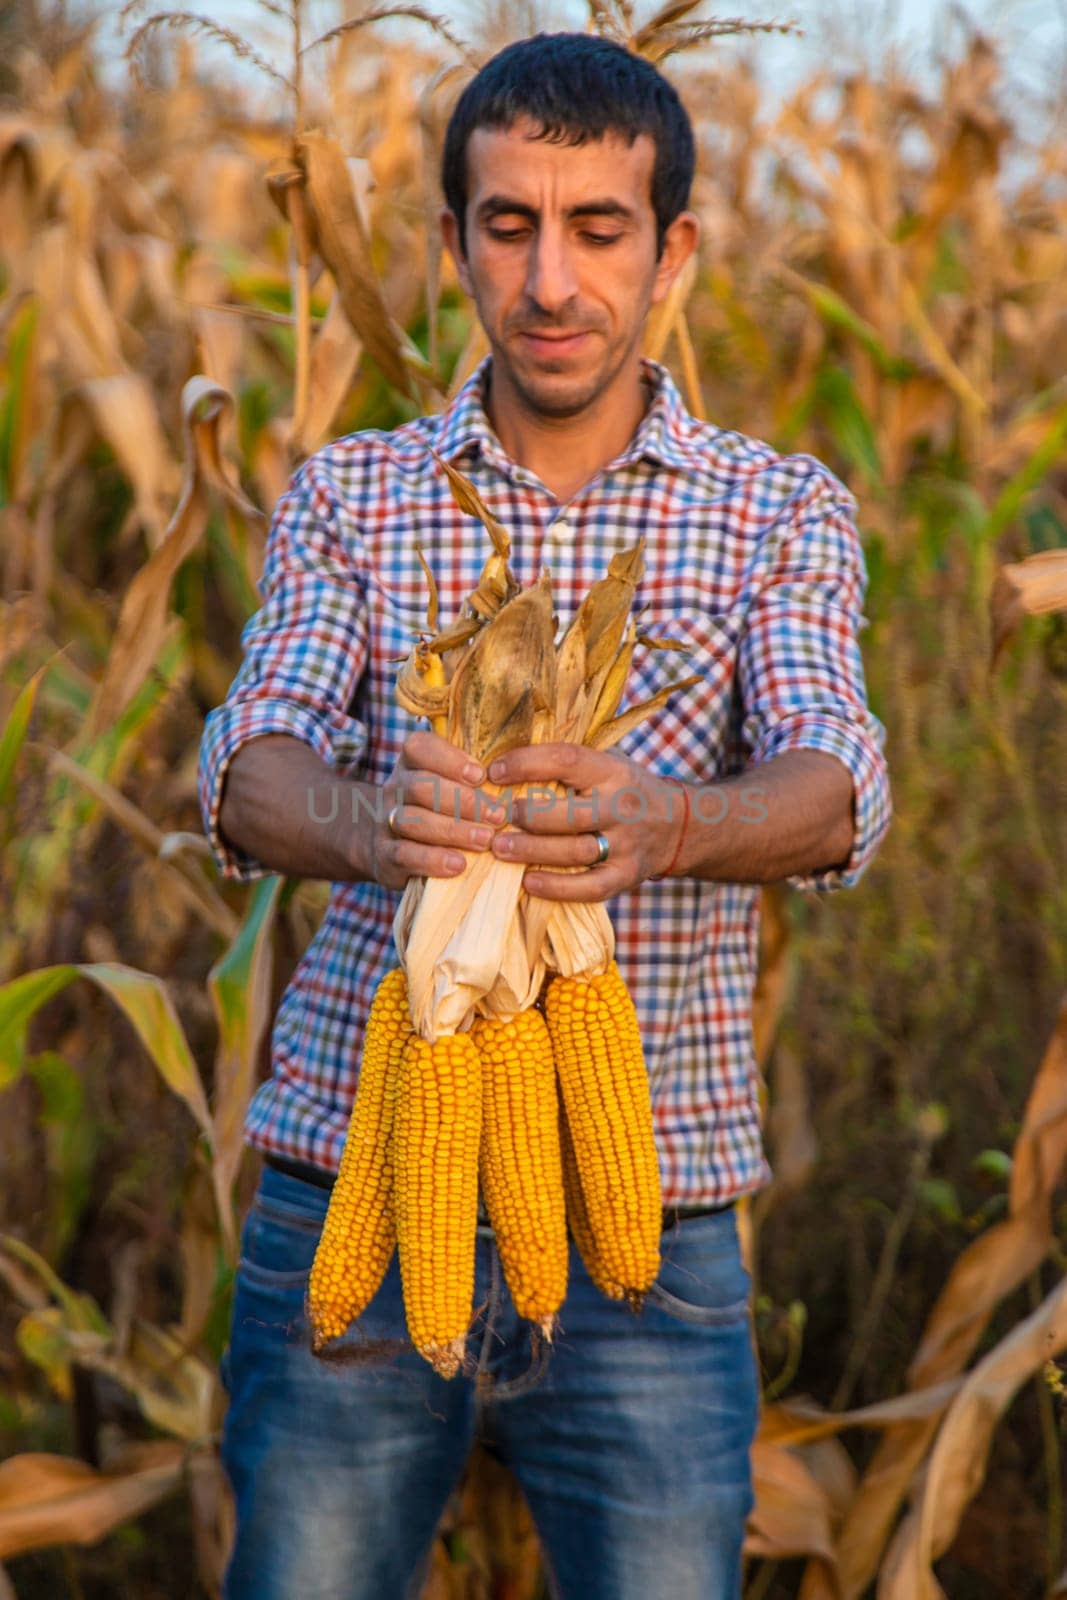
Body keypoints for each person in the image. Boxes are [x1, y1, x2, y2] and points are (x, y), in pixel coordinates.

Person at [197, 30, 892, 1600]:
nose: (553, 281)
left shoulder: (776, 510)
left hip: (648, 1227)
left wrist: (674, 827)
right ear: (452, 245)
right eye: (508, 226)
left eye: (599, 230)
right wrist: (375, 825)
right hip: (354, 1193)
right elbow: (251, 761)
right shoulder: (349, 496)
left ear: (672, 251)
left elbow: (838, 777)